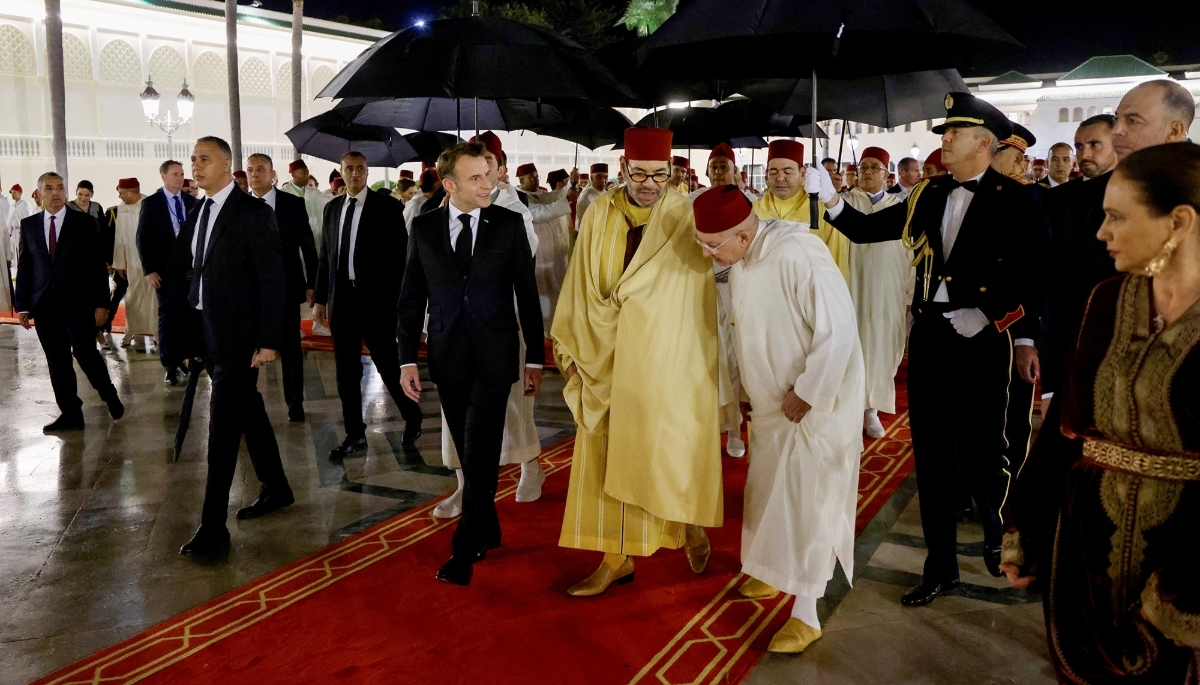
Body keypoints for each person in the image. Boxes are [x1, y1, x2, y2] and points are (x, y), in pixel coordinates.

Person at [810, 92, 1049, 606]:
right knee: (934, 453)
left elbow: (1035, 276)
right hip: (933, 336)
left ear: (983, 143)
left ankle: (996, 534)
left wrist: (990, 315)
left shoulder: (1017, 199)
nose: (945, 140)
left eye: (954, 133)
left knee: (985, 450)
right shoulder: (929, 192)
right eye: (945, 132)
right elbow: (869, 229)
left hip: (981, 338)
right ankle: (940, 567)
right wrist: (830, 200)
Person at [1003, 142, 1200, 684]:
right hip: (1084, 555)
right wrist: (1028, 522)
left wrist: (1187, 585)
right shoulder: (1107, 299)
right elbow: (1067, 425)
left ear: (1178, 222)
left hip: (1181, 562)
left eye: (1116, 217)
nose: (1101, 232)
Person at [693, 185, 864, 654]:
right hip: (771, 406)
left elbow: (838, 330)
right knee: (767, 493)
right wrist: (747, 390)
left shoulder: (799, 253)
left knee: (809, 501)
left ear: (743, 235)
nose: (708, 255)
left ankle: (807, 614)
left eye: (712, 245)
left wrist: (807, 392)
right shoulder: (742, 261)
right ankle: (770, 572)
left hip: (814, 406)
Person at [553, 127, 722, 597]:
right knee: (606, 452)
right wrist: (579, 343)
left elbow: (695, 294)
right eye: (641, 174)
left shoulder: (684, 215)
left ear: (672, 172)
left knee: (663, 449)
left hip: (665, 356)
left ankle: (687, 523)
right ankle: (616, 558)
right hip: (603, 350)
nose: (650, 184)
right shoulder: (598, 212)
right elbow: (580, 280)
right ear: (623, 168)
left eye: (659, 174)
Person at [397, 141, 544, 586]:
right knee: (468, 448)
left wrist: (536, 360)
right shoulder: (424, 228)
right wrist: (406, 359)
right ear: (449, 185)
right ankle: (489, 527)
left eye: (489, 174)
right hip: (447, 354)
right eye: (476, 178)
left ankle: (465, 547)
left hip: (496, 355)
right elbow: (411, 296)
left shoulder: (509, 223)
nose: (488, 184)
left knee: (480, 445)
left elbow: (527, 295)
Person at [169, 136, 292, 557]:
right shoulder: (198, 212)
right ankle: (276, 486)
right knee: (248, 411)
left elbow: (273, 279)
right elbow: (189, 275)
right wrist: (188, 337)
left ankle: (213, 527)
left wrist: (269, 341)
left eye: (204, 159)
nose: (196, 166)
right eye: (193, 159)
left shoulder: (253, 213)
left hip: (240, 339)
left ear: (226, 165)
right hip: (208, 332)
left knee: (222, 432)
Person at [431, 131, 546, 519]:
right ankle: (465, 486)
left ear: (500, 169)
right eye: (474, 171)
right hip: (455, 331)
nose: (483, 176)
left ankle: (530, 464)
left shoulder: (514, 209)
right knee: (457, 415)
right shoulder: (444, 206)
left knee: (513, 406)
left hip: (501, 322)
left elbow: (525, 260)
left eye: (489, 167)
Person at [313, 151, 424, 459]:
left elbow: (401, 258)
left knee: (388, 364)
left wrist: (398, 302)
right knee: (346, 373)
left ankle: (412, 414)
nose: (355, 174)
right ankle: (354, 434)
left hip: (377, 303)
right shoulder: (332, 208)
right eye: (349, 168)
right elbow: (326, 256)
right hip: (342, 301)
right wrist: (321, 298)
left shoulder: (387, 207)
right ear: (341, 171)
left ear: (367, 172)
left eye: (360, 168)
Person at [14, 172, 124, 432]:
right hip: (44, 304)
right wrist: (23, 306)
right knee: (57, 360)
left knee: (85, 353)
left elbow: (96, 266)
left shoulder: (83, 223)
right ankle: (71, 413)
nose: (56, 193)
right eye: (49, 188)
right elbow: (26, 266)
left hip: (78, 303)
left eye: (60, 188)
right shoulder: (30, 225)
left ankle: (108, 394)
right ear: (39, 193)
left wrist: (102, 304)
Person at [838, 146, 911, 438]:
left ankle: (871, 409)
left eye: (874, 167)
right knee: (850, 345)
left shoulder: (900, 206)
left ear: (886, 174)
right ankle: (849, 407)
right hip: (851, 286)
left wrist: (909, 295)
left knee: (883, 347)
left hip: (887, 289)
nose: (867, 172)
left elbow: (911, 254)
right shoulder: (844, 203)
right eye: (863, 167)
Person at [690, 143, 755, 459]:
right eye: (713, 167)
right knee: (708, 362)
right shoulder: (692, 202)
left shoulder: (750, 203)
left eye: (723, 166)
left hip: (738, 293)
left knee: (737, 360)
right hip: (703, 294)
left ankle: (735, 429)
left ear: (735, 170)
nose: (718, 172)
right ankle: (706, 428)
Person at [246, 153, 318, 422]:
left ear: (272, 174)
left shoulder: (291, 204)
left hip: (286, 288)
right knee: (249, 348)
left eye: (260, 169)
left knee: (291, 348)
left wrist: (311, 283)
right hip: (250, 293)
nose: (254, 174)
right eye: (250, 170)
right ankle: (246, 404)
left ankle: (295, 402)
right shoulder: (240, 206)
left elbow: (307, 246)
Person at [137, 159, 198, 384]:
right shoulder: (152, 203)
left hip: (189, 270)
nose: (179, 178)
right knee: (168, 316)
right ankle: (170, 363)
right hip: (163, 271)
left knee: (188, 314)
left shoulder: (192, 202)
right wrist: (150, 270)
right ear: (163, 176)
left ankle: (187, 357)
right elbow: (143, 238)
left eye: (181, 174)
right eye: (174, 174)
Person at [753, 140, 849, 282]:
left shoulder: (823, 210)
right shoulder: (754, 210)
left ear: (803, 174)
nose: (780, 177)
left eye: (787, 172)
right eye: (773, 172)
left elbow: (837, 262)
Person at [515, 162, 575, 335]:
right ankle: (543, 329)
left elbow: (555, 196)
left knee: (555, 289)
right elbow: (542, 213)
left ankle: (554, 327)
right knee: (541, 292)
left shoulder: (539, 194)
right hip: (537, 255)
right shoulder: (520, 199)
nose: (536, 180)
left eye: (537, 176)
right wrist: (566, 199)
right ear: (522, 180)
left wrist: (571, 183)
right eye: (532, 177)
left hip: (552, 253)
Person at [109, 178, 158, 354]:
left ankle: (156, 333)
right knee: (132, 298)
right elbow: (119, 237)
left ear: (130, 192)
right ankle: (132, 332)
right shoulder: (121, 209)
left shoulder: (150, 205)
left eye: (121, 193)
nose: (119, 196)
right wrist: (120, 264)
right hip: (132, 261)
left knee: (153, 299)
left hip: (151, 262)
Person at [279, 159, 331, 254]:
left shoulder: (313, 192)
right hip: (293, 242)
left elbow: (327, 202)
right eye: (303, 173)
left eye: (307, 173)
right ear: (293, 175)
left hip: (314, 237)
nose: (307, 176)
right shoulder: (284, 193)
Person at [575, 163, 608, 233]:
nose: (603, 181)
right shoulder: (586, 198)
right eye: (599, 177)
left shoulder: (606, 193)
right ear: (592, 178)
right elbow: (583, 227)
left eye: (605, 177)